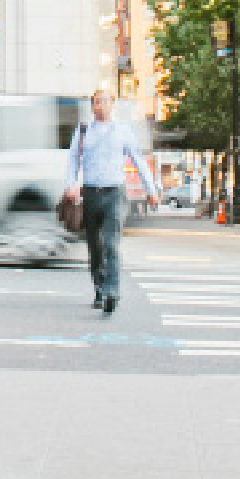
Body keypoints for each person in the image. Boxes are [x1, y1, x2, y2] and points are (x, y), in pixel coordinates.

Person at [61, 89, 156, 314]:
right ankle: (99, 287)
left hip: (115, 194)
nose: (99, 106)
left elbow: (139, 161)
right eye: (96, 102)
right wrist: (71, 184)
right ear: (92, 106)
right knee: (95, 246)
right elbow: (73, 160)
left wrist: (151, 189)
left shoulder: (123, 131)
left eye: (103, 102)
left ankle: (112, 291)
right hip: (91, 194)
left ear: (112, 105)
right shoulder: (84, 131)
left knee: (112, 243)